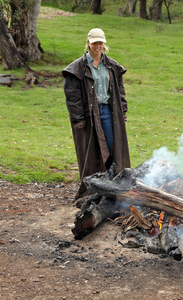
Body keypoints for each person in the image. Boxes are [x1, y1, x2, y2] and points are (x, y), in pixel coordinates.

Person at [62, 28, 131, 200]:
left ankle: (114, 186)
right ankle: (94, 189)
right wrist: (78, 119)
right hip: (89, 115)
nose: (98, 46)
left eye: (100, 43)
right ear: (88, 43)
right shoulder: (77, 68)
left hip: (108, 111)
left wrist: (122, 110)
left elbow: (120, 91)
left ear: (104, 44)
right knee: (91, 152)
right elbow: (72, 96)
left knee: (112, 147)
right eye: (94, 43)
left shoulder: (112, 66)